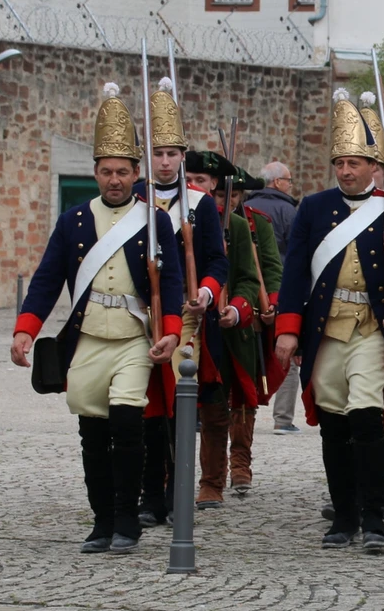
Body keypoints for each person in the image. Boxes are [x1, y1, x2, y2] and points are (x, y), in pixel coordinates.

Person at [10, 82, 183, 554]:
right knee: (92, 432)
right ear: (95, 172)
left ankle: (128, 519)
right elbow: (46, 281)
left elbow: (170, 287)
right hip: (87, 338)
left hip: (131, 337)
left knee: (129, 426)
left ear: (135, 174)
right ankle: (102, 521)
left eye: (123, 172)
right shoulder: (73, 221)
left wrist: (170, 333)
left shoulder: (155, 221)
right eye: (106, 171)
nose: (114, 180)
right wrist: (26, 330)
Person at [273, 88, 384, 552]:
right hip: (327, 329)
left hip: (371, 327)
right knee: (335, 422)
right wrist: (287, 328)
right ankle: (343, 516)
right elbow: (296, 270)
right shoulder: (314, 208)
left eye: (354, 163)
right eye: (339, 162)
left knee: (367, 415)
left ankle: (373, 517)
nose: (345, 170)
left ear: (374, 167)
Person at [133, 78, 230, 529]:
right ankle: (148, 492)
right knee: (145, 409)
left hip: (185, 320)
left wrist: (206, 293)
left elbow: (216, 261)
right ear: (147, 155)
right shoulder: (132, 198)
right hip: (137, 316)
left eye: (174, 154)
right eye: (159, 153)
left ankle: (175, 494)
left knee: (178, 409)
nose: (167, 161)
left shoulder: (201, 204)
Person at [185, 151, 261, 511]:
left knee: (216, 410)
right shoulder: (161, 216)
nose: (193, 185)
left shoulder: (237, 225)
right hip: (178, 326)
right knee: (169, 408)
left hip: (219, 332)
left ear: (214, 185)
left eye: (200, 180)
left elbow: (247, 278)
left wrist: (236, 309)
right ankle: (165, 481)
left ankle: (211, 484)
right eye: (190, 178)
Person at [218, 165, 285, 499]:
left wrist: (272, 302)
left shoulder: (257, 224)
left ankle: (240, 462)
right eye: (218, 194)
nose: (225, 200)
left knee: (244, 394)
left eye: (231, 195)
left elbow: (271, 266)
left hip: (247, 322)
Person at [249, 161, 302, 435]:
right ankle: (283, 419)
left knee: (247, 349)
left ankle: (243, 410)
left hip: (247, 292)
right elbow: (294, 255)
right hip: (279, 289)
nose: (290, 185)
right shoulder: (288, 211)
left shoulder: (247, 207)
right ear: (278, 182)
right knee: (287, 352)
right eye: (289, 181)